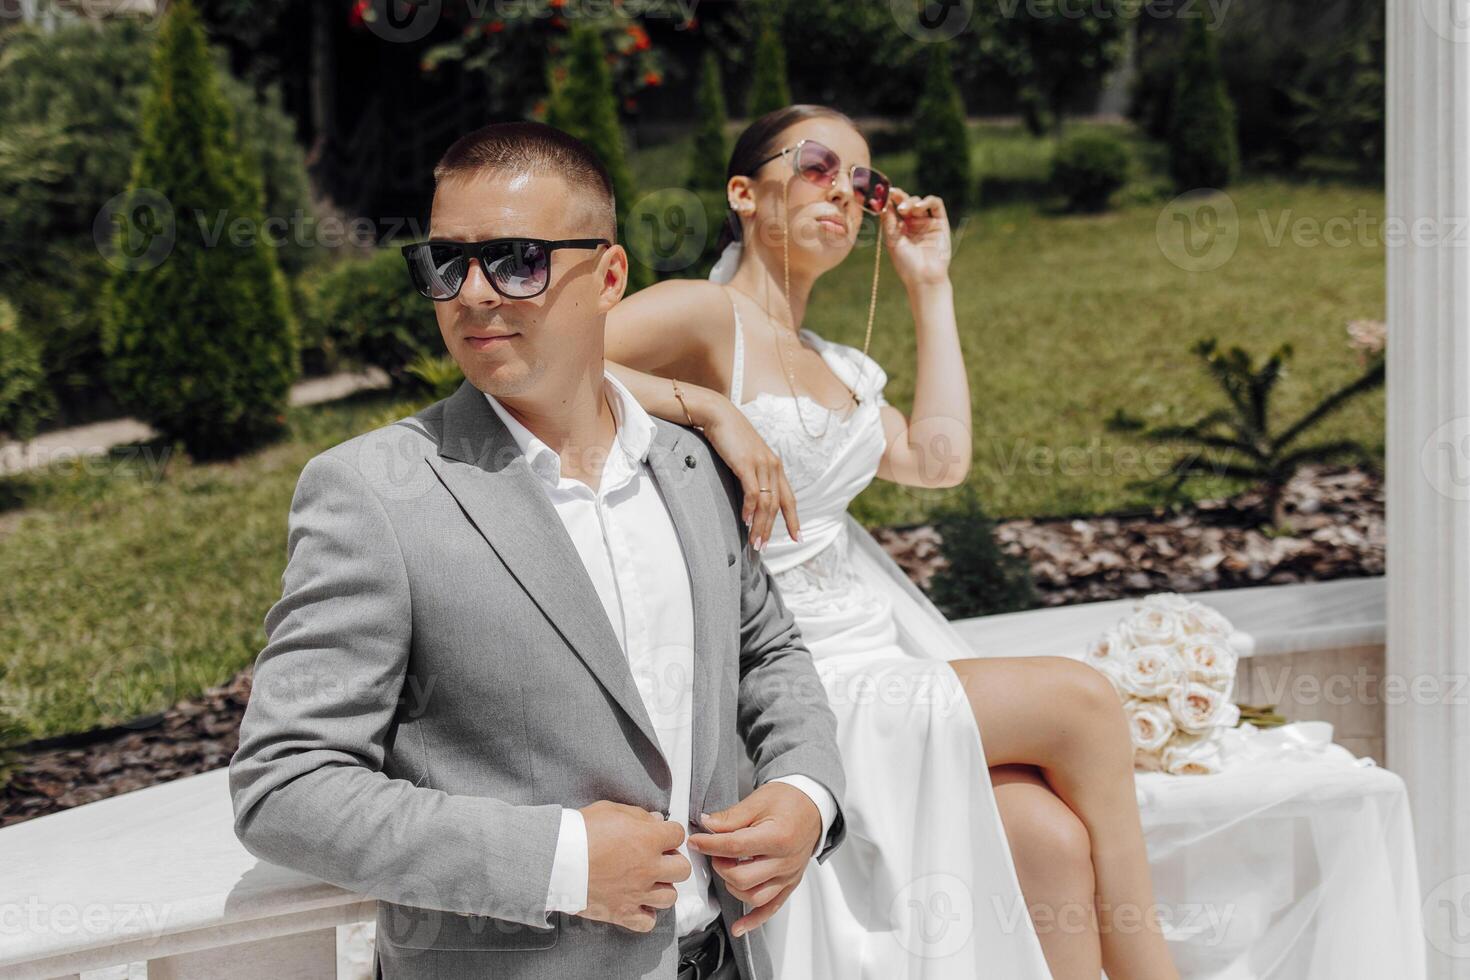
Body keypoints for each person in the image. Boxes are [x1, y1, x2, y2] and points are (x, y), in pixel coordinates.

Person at [228, 121, 849, 980]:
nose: (473, 293)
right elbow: (285, 786)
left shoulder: (692, 460)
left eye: (518, 260)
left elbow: (767, 652)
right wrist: (560, 862)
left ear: (611, 276)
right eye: (446, 262)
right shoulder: (371, 493)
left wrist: (805, 793)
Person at [605, 105, 1181, 979]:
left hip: (875, 650)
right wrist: (707, 405)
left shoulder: (839, 364)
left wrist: (930, 283)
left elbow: (939, 460)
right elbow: (553, 358)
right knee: (1086, 704)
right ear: (744, 193)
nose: (846, 189)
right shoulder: (703, 314)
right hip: (792, 676)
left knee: (1047, 839)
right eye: (818, 165)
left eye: (865, 182)